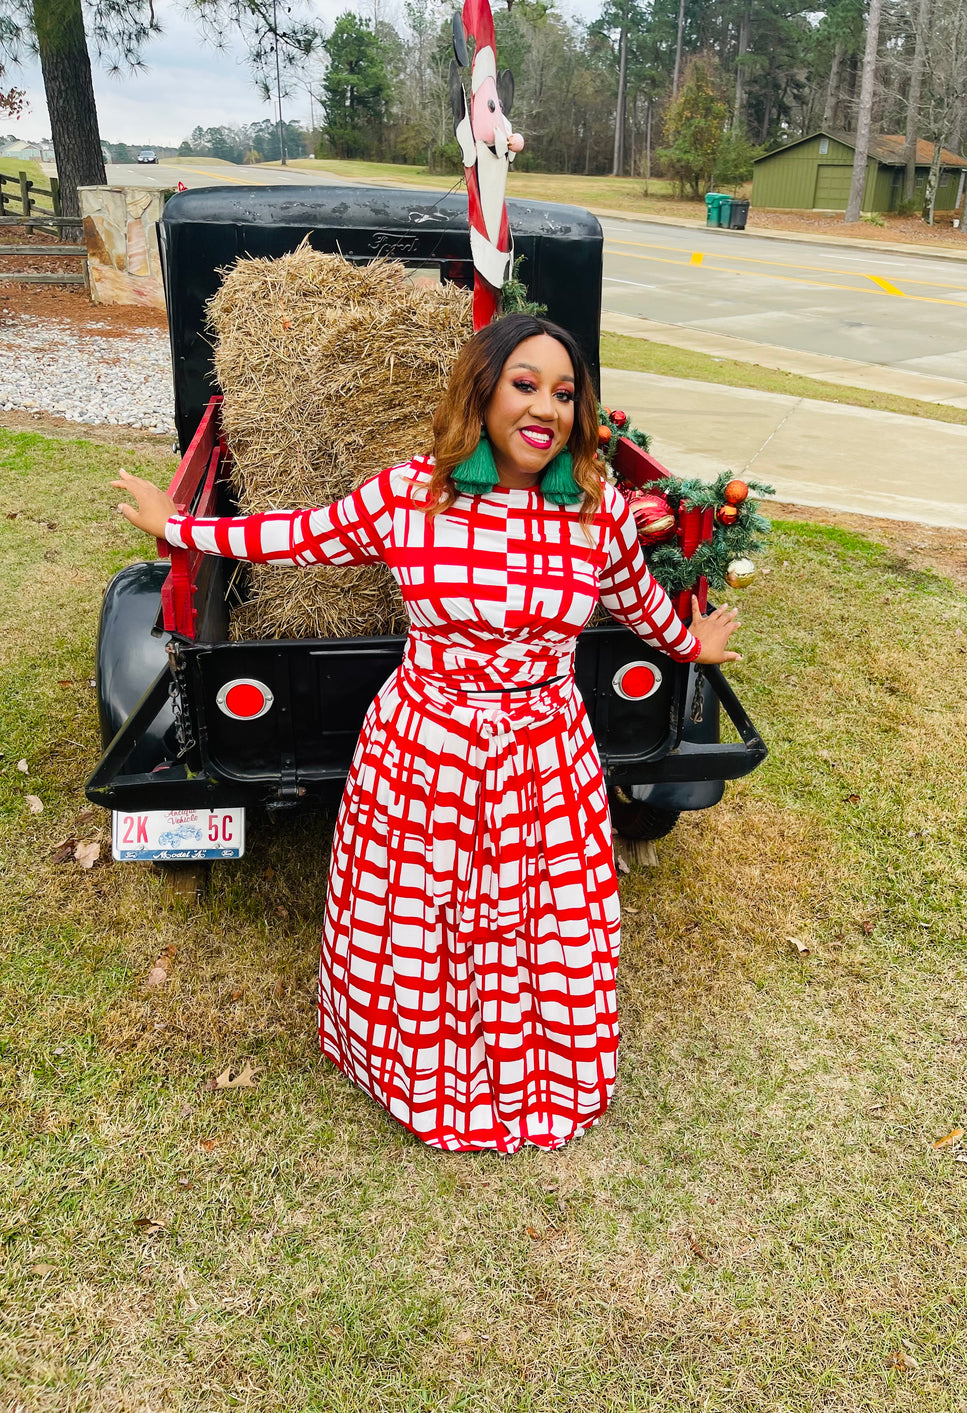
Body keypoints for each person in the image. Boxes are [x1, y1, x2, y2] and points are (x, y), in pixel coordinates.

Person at [114, 312, 741, 1154]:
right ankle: (422, 1069)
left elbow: (635, 600)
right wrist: (178, 528)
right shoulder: (414, 493)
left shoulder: (597, 511)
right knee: (418, 913)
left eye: (564, 393)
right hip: (426, 745)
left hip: (544, 756)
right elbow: (294, 536)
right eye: (524, 385)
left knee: (542, 921)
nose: (545, 409)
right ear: (482, 394)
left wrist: (689, 643)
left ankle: (537, 1069)